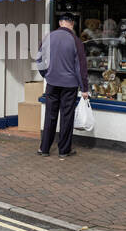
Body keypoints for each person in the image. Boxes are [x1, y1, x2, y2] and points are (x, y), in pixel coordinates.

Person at [35, 11, 90, 159]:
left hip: (52, 83)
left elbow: (39, 60)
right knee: (67, 116)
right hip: (70, 85)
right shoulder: (76, 40)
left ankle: (44, 148)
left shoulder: (48, 37)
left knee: (50, 115)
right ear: (72, 24)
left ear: (60, 23)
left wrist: (46, 75)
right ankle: (64, 150)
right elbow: (81, 67)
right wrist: (84, 88)